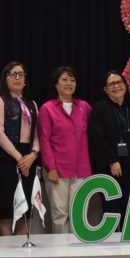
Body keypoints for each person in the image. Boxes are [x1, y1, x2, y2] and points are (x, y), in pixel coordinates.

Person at [88, 71, 130, 229]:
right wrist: (111, 161)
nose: (116, 86)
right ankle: (113, 243)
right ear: (105, 89)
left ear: (125, 85)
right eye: (112, 84)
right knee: (112, 211)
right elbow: (96, 138)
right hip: (111, 171)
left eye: (119, 82)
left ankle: (129, 243)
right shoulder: (99, 109)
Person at [37, 66, 92, 233]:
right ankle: (61, 248)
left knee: (79, 215)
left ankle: (77, 248)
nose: (69, 83)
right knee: (60, 214)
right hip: (57, 170)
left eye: (72, 80)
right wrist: (51, 168)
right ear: (56, 84)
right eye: (64, 80)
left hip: (81, 169)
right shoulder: (47, 108)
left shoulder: (84, 107)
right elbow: (44, 140)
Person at [0, 62, 40, 236]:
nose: (18, 78)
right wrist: (19, 158)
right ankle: (6, 251)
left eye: (21, 74)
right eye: (13, 74)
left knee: (25, 211)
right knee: (7, 211)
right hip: (5, 159)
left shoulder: (32, 104)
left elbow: (37, 135)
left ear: (25, 80)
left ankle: (21, 249)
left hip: (28, 160)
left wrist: (33, 154)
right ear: (5, 78)